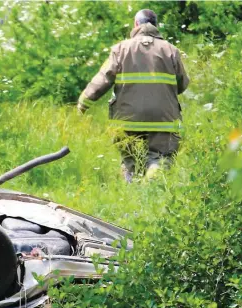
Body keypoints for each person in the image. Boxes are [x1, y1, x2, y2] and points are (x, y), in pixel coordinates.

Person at [77, 9, 190, 182]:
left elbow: (102, 80)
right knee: (160, 157)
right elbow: (182, 84)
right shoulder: (171, 50)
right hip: (163, 119)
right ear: (155, 25)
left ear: (136, 24)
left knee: (130, 160)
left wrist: (83, 104)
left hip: (127, 119)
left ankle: (133, 190)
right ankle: (152, 184)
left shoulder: (120, 49)